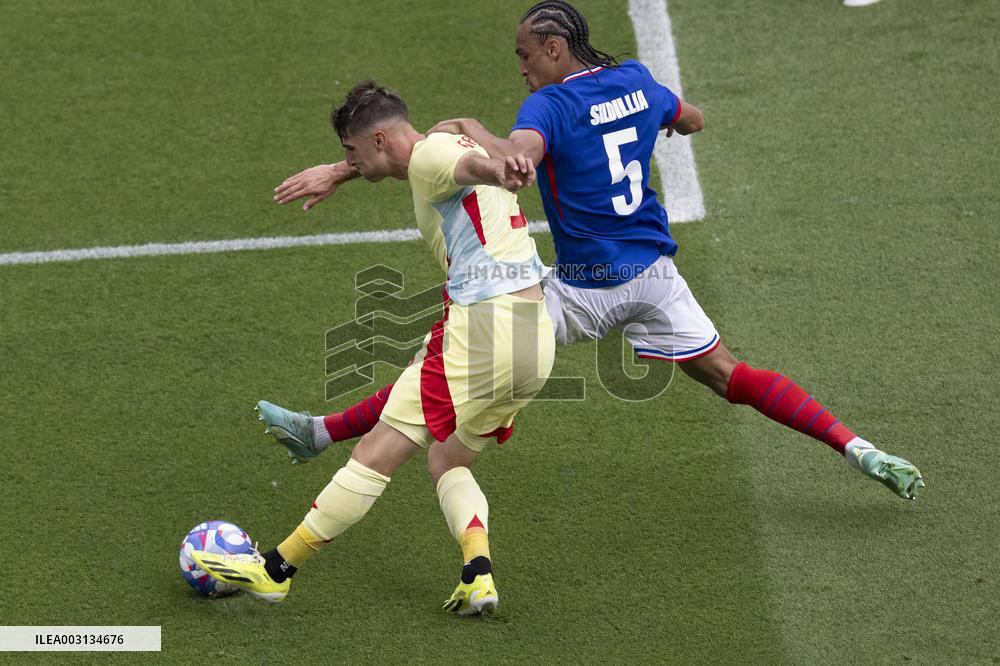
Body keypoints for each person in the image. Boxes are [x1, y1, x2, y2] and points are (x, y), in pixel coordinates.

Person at [267, 1, 923, 500]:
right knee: (731, 376)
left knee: (444, 361)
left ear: (555, 47)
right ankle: (856, 446)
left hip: (579, 291)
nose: (521, 69)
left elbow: (511, 161)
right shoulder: (637, 82)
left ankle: (321, 432)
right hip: (655, 280)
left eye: (525, 55)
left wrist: (473, 130)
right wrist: (653, 119)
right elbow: (692, 118)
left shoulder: (547, 109)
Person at [193, 81, 556, 616]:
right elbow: (454, 151)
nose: (349, 160)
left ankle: (275, 570)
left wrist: (496, 170)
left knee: (377, 453)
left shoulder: (436, 154)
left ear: (380, 139)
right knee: (446, 458)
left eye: (350, 150)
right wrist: (345, 171)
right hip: (534, 337)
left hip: (485, 327)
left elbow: (464, 169)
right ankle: (478, 574)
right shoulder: (445, 142)